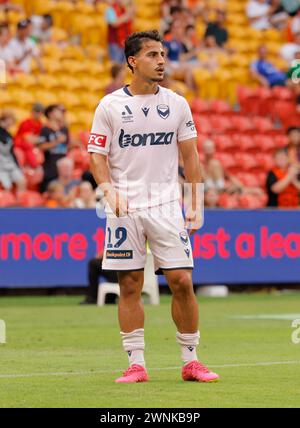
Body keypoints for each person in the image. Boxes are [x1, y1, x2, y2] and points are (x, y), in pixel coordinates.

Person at [88, 30, 219, 383]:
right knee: (129, 284)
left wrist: (196, 203)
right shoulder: (110, 106)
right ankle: (136, 364)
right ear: (133, 61)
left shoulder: (177, 103)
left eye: (162, 54)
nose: (161, 61)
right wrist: (107, 190)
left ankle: (191, 360)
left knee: (182, 281)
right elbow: (96, 155)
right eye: (152, 55)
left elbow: (189, 155)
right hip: (124, 207)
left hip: (165, 205)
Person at [38, 104, 69, 192]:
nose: (61, 113)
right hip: (50, 165)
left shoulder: (64, 129)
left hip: (63, 164)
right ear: (50, 114)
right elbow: (41, 146)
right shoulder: (45, 129)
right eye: (58, 111)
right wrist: (57, 141)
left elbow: (67, 146)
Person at [0, 109, 25, 193]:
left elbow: (12, 152)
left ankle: (20, 203)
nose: (12, 123)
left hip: (10, 163)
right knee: (6, 186)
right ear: (6, 119)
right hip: (1, 165)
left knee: (22, 182)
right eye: (12, 120)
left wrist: (17, 165)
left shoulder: (9, 135)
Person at [14, 103, 44, 168]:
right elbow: (26, 138)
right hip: (20, 143)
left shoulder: (40, 124)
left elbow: (40, 138)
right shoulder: (26, 122)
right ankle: (34, 164)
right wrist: (36, 139)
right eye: (36, 111)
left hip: (32, 145)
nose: (38, 114)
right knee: (28, 145)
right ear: (32, 112)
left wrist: (36, 139)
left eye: (40, 112)